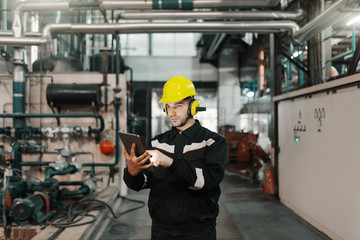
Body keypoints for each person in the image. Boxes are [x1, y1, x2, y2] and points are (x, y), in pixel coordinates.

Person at [123, 76, 227, 240]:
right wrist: (133, 172)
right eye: (168, 106)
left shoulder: (212, 142)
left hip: (198, 232)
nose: (172, 112)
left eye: (178, 105)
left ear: (193, 106)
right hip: (161, 231)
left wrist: (170, 162)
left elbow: (208, 181)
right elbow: (145, 181)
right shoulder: (157, 142)